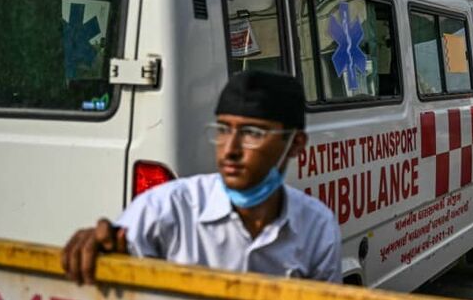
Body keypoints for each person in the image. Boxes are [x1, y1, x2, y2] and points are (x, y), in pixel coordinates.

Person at [62, 71, 341, 284]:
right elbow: (114, 250)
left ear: (295, 144)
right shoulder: (165, 209)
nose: (229, 150)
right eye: (222, 130)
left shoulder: (316, 226)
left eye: (253, 133)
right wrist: (101, 248)